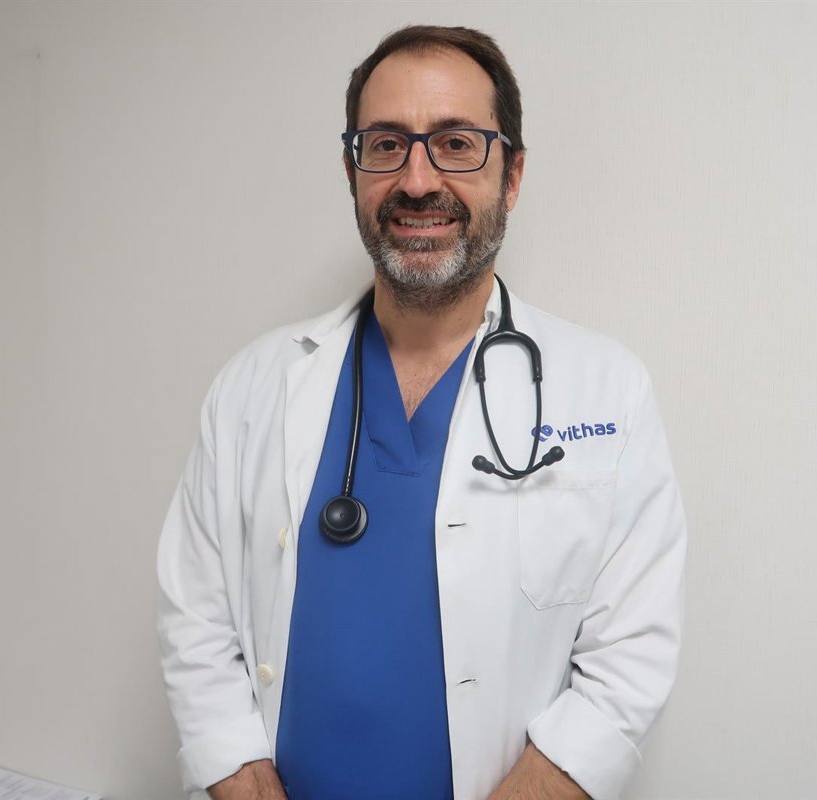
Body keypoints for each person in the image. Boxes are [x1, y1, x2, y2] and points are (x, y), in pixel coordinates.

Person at [157, 25, 687, 800]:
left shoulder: (608, 391)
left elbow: (629, 658)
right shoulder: (253, 386)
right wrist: (237, 777)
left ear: (511, 175)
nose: (415, 180)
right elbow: (194, 613)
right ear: (352, 172)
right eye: (385, 145)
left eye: (456, 144)